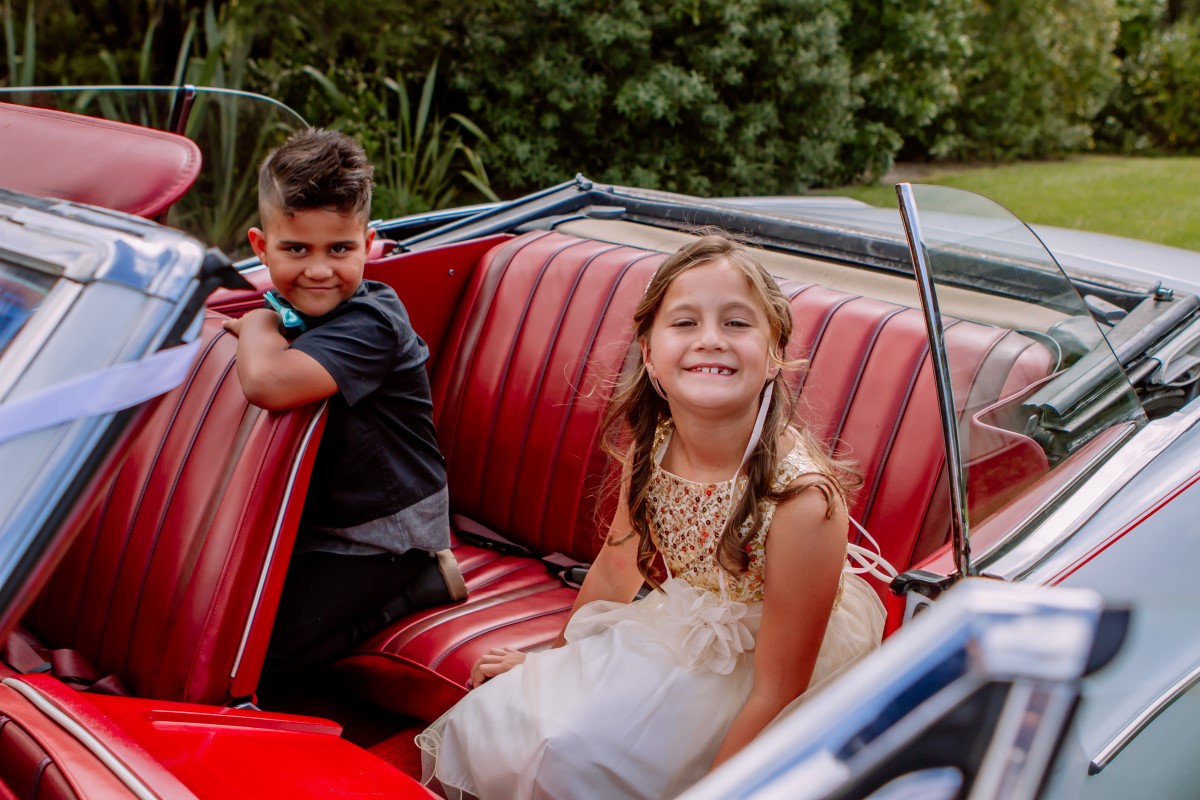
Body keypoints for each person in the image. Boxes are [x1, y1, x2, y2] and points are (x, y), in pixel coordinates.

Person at [416, 233, 888, 799]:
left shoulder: (802, 501)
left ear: (774, 355)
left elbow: (778, 691)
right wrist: (548, 666)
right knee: (511, 722)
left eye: (737, 323)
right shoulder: (654, 444)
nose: (710, 339)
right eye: (685, 322)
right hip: (682, 628)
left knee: (582, 765)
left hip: (769, 672)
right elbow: (617, 570)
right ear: (648, 353)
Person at [222, 128, 465, 674]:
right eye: (295, 249)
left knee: (265, 649)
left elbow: (268, 383)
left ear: (368, 243)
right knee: (224, 611)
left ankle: (421, 584)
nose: (318, 270)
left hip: (386, 534)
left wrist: (257, 322)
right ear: (260, 246)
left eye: (339, 249)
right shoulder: (299, 311)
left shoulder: (372, 323)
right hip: (322, 517)